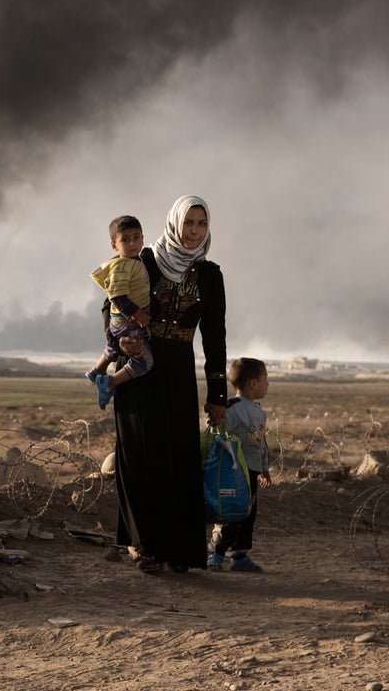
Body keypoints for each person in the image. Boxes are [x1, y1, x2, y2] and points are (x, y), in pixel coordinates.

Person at [111, 195, 227, 574]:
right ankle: (141, 545)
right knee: (139, 454)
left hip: (178, 372)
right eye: (188, 222)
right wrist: (118, 342)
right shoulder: (143, 261)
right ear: (175, 223)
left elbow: (215, 338)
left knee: (178, 457)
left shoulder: (210, 276)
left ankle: (178, 550)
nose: (194, 231)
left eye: (201, 223)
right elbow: (112, 304)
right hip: (138, 367)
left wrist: (218, 395)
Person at [208, 357, 272, 572]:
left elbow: (261, 442)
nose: (268, 383)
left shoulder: (259, 412)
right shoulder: (233, 408)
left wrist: (264, 469)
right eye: (265, 379)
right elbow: (218, 432)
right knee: (228, 513)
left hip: (251, 472)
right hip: (232, 472)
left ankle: (239, 556)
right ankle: (215, 554)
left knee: (247, 513)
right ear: (253, 383)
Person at [86, 215, 153, 409]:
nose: (132, 243)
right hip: (128, 323)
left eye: (136, 237)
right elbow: (116, 297)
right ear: (114, 245)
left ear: (143, 238)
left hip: (123, 322)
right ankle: (110, 382)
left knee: (113, 348)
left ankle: (96, 371)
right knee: (145, 362)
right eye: (125, 239)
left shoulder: (134, 261)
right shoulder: (121, 267)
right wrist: (138, 315)